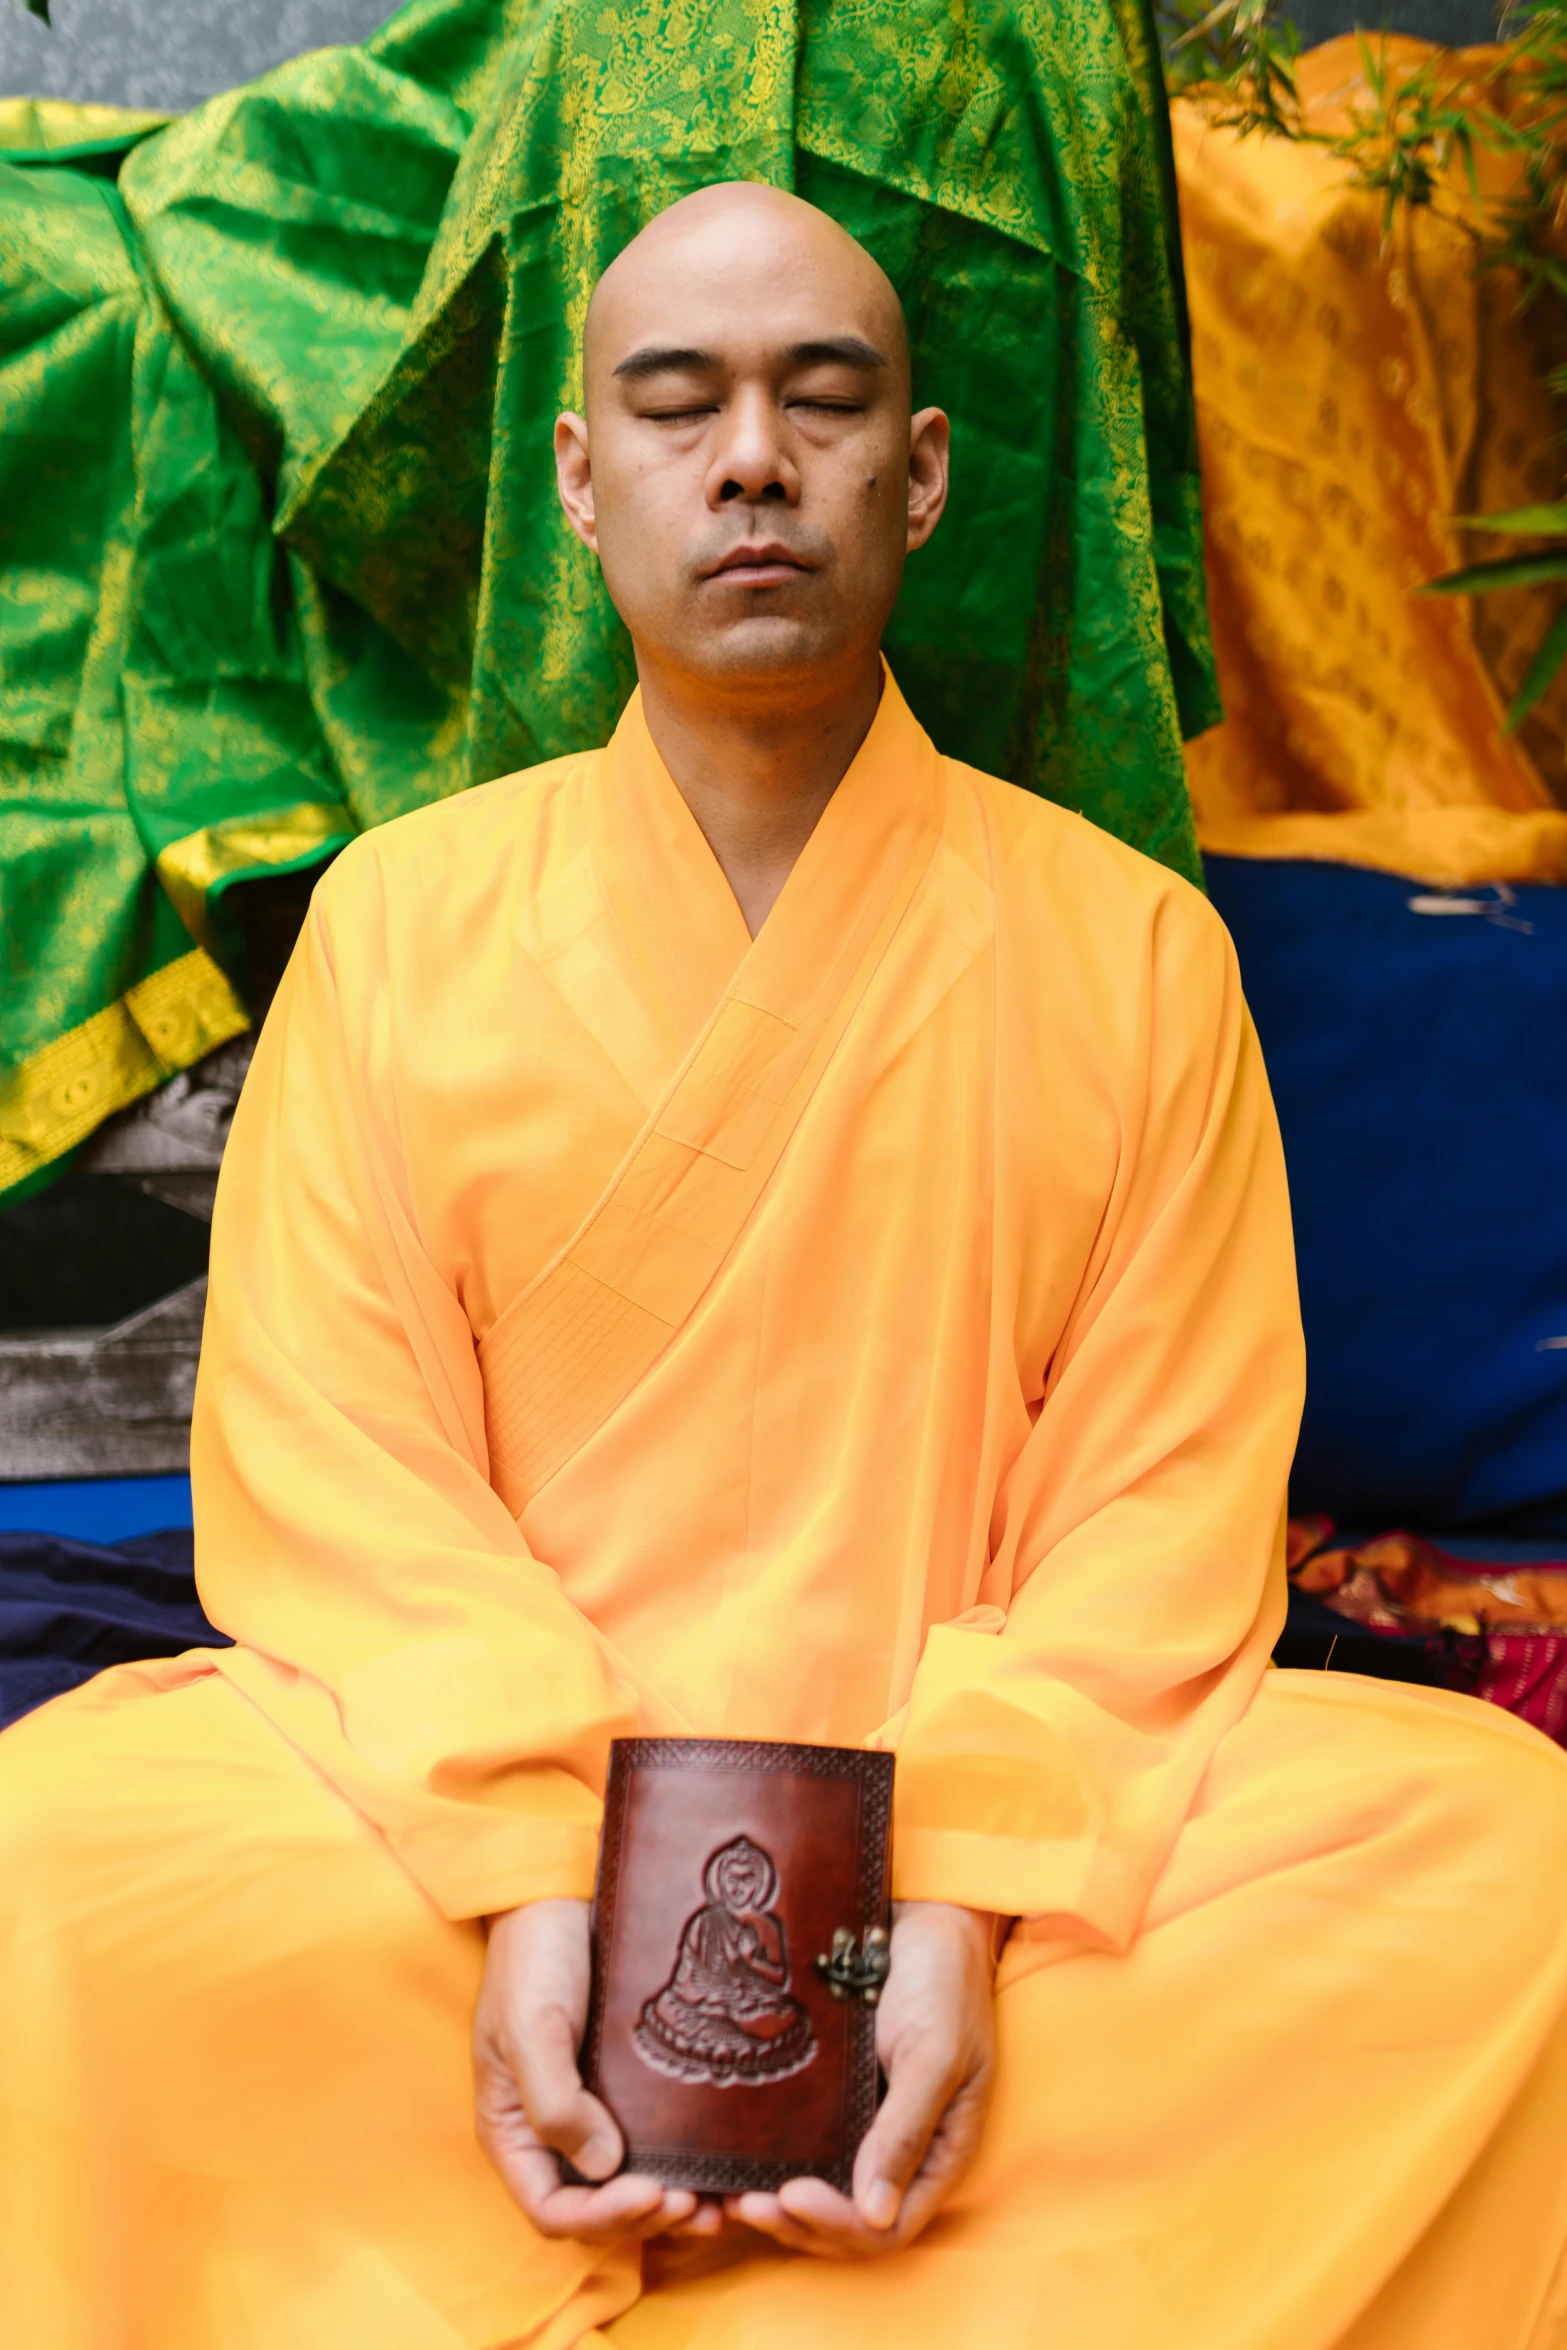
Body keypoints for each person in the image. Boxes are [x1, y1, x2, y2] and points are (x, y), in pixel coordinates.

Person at [2, 180, 1566, 2350]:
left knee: (1510, 1868)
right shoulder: (397, 920)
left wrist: (958, 1890)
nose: (754, 455)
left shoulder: (1129, 950)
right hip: (475, 1855)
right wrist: (535, 1875)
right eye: (678, 402)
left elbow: (1160, 1500)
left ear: (916, 475)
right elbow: (340, 1472)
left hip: (976, 1815)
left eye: (823, 400)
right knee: (47, 1864)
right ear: (581, 476)